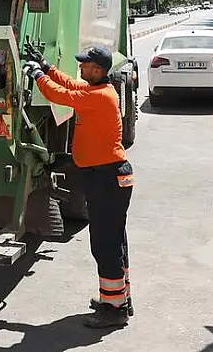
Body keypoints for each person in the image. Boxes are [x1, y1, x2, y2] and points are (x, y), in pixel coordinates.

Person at [23, 45, 133, 329]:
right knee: (114, 240)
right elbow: (71, 85)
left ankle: (113, 310)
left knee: (105, 244)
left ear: (98, 70)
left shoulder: (99, 97)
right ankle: (119, 299)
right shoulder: (97, 91)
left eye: (85, 65)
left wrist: (37, 76)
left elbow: (61, 94)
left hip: (106, 179)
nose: (81, 69)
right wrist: (47, 67)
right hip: (106, 178)